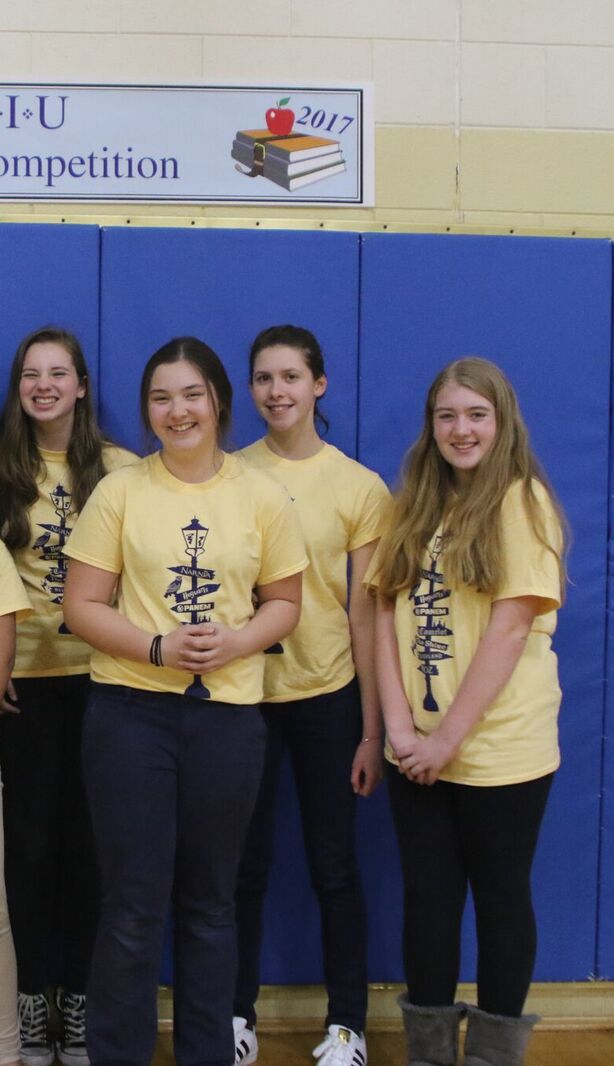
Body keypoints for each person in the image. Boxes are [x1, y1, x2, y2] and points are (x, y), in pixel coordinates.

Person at [62, 337, 306, 1066]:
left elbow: (285, 602)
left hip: (228, 719)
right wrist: (157, 648)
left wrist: (237, 642)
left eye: (192, 394)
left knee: (209, 904)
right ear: (147, 410)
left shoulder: (261, 494)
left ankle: (206, 1052)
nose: (178, 411)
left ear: (219, 402)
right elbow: (81, 605)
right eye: (161, 397)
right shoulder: (121, 491)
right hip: (129, 716)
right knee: (132, 905)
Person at [366, 357, 567, 1066]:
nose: (461, 429)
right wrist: (398, 728)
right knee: (429, 901)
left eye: (477, 415)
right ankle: (429, 1053)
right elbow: (383, 612)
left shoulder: (523, 502)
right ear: (431, 425)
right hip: (416, 750)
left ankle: (491, 1055)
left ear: (502, 421)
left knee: (501, 899)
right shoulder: (413, 504)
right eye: (447, 415)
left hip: (500, 751)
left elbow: (510, 629)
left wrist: (445, 740)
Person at [231, 325, 390, 1066]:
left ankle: (347, 1025)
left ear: (318, 385)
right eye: (264, 378)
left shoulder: (360, 487)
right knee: (240, 866)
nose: (277, 392)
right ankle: (235, 1016)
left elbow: (365, 614)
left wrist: (371, 731)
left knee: (335, 866)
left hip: (327, 694)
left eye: (291, 377)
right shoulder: (229, 473)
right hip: (243, 694)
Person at [0, 327, 136, 1066]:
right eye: (30, 374)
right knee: (28, 849)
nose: (44, 386)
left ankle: (77, 1000)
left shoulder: (122, 469)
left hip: (106, 681)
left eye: (58, 373)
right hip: (22, 687)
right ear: (18, 388)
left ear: (81, 385)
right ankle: (27, 999)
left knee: (90, 850)